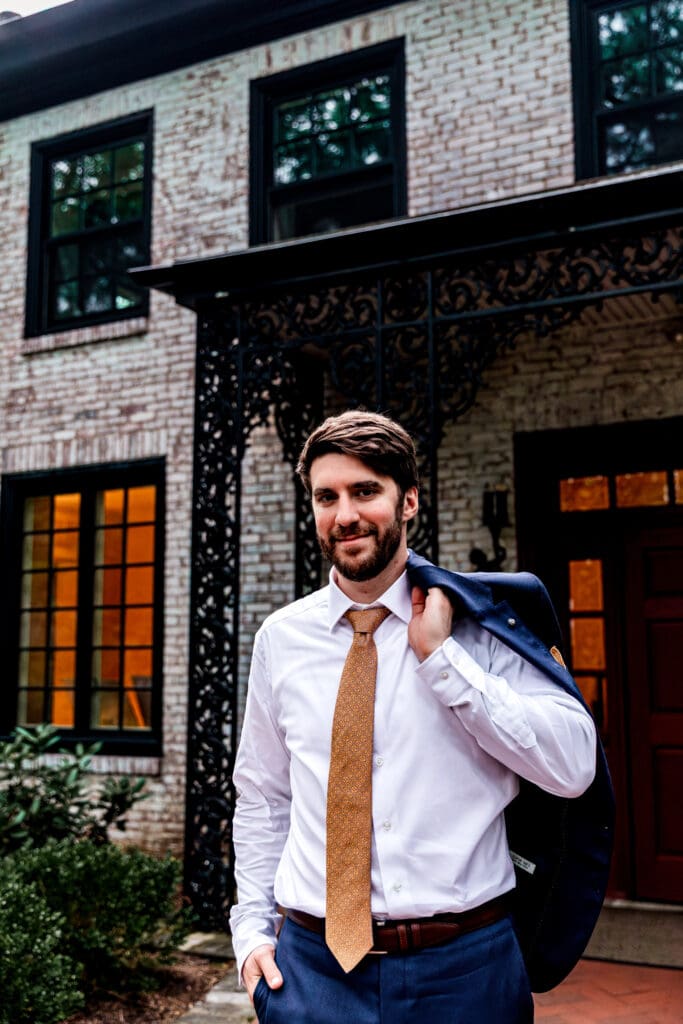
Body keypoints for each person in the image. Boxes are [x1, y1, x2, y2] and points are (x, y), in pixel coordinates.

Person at [229, 409, 601, 1023]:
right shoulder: (280, 640)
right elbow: (264, 797)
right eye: (327, 496)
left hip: (467, 969)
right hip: (311, 972)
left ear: (409, 503)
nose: (344, 513)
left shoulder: (485, 626)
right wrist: (251, 935)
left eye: (366, 491)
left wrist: (442, 661)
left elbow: (573, 766)